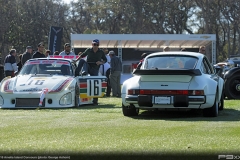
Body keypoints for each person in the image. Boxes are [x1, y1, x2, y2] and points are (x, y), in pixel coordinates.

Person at [75, 39, 107, 105]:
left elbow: (105, 60)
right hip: (88, 66)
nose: (96, 46)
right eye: (94, 44)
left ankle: (95, 101)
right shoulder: (88, 50)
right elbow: (82, 56)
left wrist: (100, 62)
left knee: (95, 83)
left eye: (97, 45)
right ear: (92, 45)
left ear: (99, 45)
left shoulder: (101, 52)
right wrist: (75, 60)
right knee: (83, 61)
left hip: (95, 68)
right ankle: (81, 72)